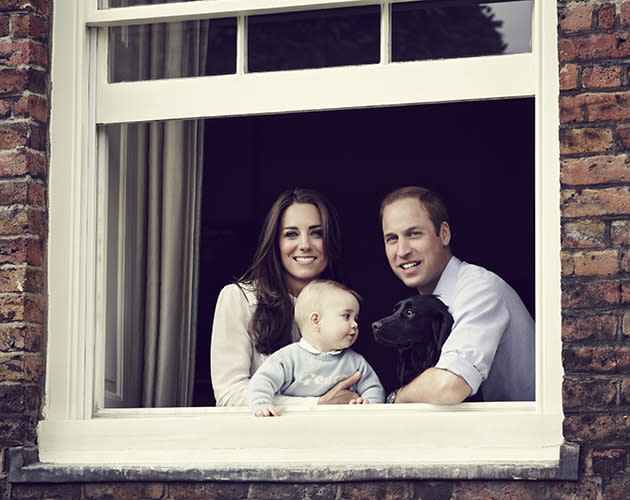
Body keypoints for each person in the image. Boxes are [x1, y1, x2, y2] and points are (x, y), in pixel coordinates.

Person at [380, 186, 535, 404]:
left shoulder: (479, 289)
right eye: (392, 239)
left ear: (444, 234)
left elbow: (448, 387)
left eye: (414, 234)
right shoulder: (427, 306)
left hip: (526, 435)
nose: (402, 250)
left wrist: (396, 399)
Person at [211, 188, 362, 407]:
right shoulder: (239, 298)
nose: (305, 244)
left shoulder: (345, 303)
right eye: (291, 234)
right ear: (275, 243)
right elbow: (230, 395)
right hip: (264, 435)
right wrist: (316, 404)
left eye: (317, 233)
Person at [249, 279, 385, 416]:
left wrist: (368, 405)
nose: (355, 324)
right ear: (316, 321)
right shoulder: (288, 358)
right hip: (296, 425)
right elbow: (263, 381)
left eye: (355, 318)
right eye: (346, 316)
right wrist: (262, 404)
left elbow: (373, 388)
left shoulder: (356, 362)